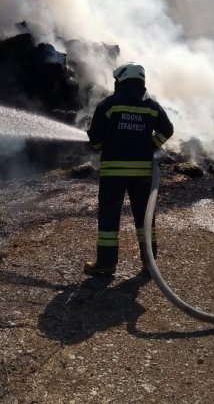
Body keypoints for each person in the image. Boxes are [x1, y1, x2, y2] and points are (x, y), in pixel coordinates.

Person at [84, 61, 174, 276]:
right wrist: (151, 145)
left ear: (121, 80)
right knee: (145, 218)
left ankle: (106, 265)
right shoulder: (151, 106)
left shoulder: (109, 104)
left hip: (113, 173)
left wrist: (97, 145)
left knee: (109, 218)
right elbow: (168, 130)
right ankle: (149, 263)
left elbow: (95, 140)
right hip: (142, 173)